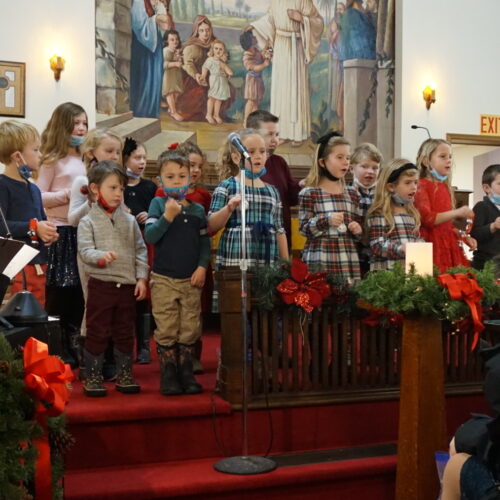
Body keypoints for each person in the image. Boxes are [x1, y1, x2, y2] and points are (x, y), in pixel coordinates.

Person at [78, 161, 148, 397]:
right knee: (97, 330)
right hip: (101, 285)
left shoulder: (129, 221)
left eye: (121, 189)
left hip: (126, 287)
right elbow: (85, 251)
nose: (119, 193)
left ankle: (125, 374)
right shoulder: (87, 222)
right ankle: (93, 375)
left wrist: (141, 278)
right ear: (96, 189)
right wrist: (101, 256)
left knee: (125, 331)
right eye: (113, 188)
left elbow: (141, 251)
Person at [145, 149, 210, 396]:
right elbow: (151, 236)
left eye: (181, 176)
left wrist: (202, 266)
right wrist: (167, 217)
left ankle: (186, 372)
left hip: (190, 278)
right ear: (161, 180)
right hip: (164, 279)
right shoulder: (158, 203)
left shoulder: (197, 211)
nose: (176, 181)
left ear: (190, 179)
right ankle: (169, 374)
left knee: (190, 326)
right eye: (170, 177)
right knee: (167, 325)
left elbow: (204, 243)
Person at [68, 129, 122, 380]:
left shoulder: (117, 181)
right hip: (90, 250)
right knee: (94, 304)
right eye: (109, 151)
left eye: (118, 152)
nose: (115, 156)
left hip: (114, 249)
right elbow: (72, 219)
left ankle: (108, 357)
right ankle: (90, 359)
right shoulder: (82, 181)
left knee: (113, 303)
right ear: (92, 153)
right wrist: (91, 200)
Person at [36, 102, 88, 365]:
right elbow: (39, 197)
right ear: (62, 125)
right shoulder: (51, 159)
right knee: (60, 290)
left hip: (83, 231)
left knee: (80, 291)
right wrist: (67, 195)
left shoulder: (86, 158)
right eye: (75, 123)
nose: (80, 128)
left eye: (84, 123)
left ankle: (74, 341)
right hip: (60, 232)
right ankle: (56, 346)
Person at [209, 128, 289, 269]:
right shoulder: (227, 186)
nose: (258, 156)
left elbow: (279, 230)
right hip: (236, 258)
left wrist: (285, 264)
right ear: (236, 158)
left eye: (262, 151)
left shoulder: (272, 191)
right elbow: (211, 225)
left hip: (267, 261)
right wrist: (228, 209)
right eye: (251, 152)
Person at [0, 120, 59, 306]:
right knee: (21, 313)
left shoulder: (34, 189)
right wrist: (34, 228)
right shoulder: (3, 185)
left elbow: (40, 221)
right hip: (16, 264)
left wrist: (47, 233)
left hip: (38, 260)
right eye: (36, 150)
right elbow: (2, 227)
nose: (40, 155)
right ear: (18, 156)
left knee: (38, 311)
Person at [250, 1, 324, 144]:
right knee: (281, 90)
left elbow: (318, 22)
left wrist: (302, 18)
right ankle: (281, 132)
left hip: (296, 47)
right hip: (281, 47)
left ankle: (298, 134)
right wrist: (254, 26)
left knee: (295, 90)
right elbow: (270, 20)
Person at [298, 133, 362, 282]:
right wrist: (326, 220)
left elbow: (357, 230)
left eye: (347, 158)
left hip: (346, 260)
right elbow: (304, 229)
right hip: (320, 259)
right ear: (322, 162)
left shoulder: (352, 194)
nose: (346, 162)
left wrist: (357, 229)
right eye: (339, 157)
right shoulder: (310, 193)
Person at [414, 138, 476, 272]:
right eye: (442, 156)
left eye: (450, 157)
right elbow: (428, 219)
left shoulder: (444, 187)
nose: (448, 160)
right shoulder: (421, 185)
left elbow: (447, 225)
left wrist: (463, 236)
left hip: (448, 245)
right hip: (431, 244)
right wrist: (457, 212)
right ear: (426, 161)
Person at [246, 110, 301, 249]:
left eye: (276, 134)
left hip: (281, 239)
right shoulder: (244, 165)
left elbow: (291, 198)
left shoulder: (279, 162)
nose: (275, 140)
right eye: (270, 134)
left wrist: (302, 184)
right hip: (253, 242)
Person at [123, 137, 157, 364]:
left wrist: (150, 215)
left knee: (142, 294)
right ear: (125, 159)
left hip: (144, 244)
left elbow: (158, 211)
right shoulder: (119, 186)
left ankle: (144, 345)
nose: (142, 162)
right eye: (137, 158)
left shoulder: (150, 187)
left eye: (144, 157)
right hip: (124, 245)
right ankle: (124, 345)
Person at [367, 159, 422, 271]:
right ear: (391, 187)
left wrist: (420, 244)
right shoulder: (380, 212)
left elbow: (415, 237)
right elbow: (377, 245)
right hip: (386, 274)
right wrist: (400, 248)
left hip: (407, 273)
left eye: (415, 182)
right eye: (407, 183)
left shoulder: (412, 213)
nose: (413, 187)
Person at [130, 0, 171, 118]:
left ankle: (152, 113)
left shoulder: (159, 4)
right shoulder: (139, 2)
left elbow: (166, 25)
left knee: (155, 77)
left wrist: (159, 13)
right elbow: (138, 23)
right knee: (145, 77)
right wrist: (156, 18)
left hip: (155, 43)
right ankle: (141, 112)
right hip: (142, 45)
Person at [348, 142, 383, 275]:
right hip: (355, 253)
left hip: (376, 254)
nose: (370, 171)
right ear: (352, 168)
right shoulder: (347, 193)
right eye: (364, 166)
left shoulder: (383, 195)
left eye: (375, 168)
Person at [176, 15, 217, 121]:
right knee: (196, 96)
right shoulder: (191, 46)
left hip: (209, 77)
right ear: (197, 31)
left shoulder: (214, 43)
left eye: (207, 30)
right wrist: (196, 75)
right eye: (202, 30)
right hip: (192, 78)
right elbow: (188, 64)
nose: (205, 33)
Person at [470, 164, 500, 270]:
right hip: (486, 263)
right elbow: (474, 234)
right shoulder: (482, 206)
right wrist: (493, 226)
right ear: (486, 187)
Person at [240, 29, 271, 124]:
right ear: (249, 41)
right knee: (251, 101)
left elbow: (261, 56)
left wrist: (266, 50)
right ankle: (246, 120)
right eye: (253, 37)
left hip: (258, 80)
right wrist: (264, 65)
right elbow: (253, 67)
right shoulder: (247, 55)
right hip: (252, 81)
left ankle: (253, 121)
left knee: (256, 102)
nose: (255, 37)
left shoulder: (255, 50)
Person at [200, 39, 233, 125]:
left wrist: (226, 71)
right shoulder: (210, 60)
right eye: (216, 48)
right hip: (214, 80)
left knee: (219, 99)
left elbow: (230, 72)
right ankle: (208, 114)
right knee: (212, 98)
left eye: (220, 49)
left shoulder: (222, 62)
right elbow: (205, 67)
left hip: (222, 82)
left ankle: (216, 115)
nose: (218, 51)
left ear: (224, 51)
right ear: (212, 50)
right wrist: (203, 76)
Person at [161, 29, 184, 121]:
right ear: (167, 41)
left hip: (176, 74)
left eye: (176, 39)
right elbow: (163, 64)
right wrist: (174, 64)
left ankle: (171, 108)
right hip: (169, 75)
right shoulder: (166, 51)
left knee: (176, 92)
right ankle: (174, 112)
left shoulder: (176, 51)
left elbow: (179, 62)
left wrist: (179, 59)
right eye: (172, 39)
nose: (175, 41)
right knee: (170, 92)